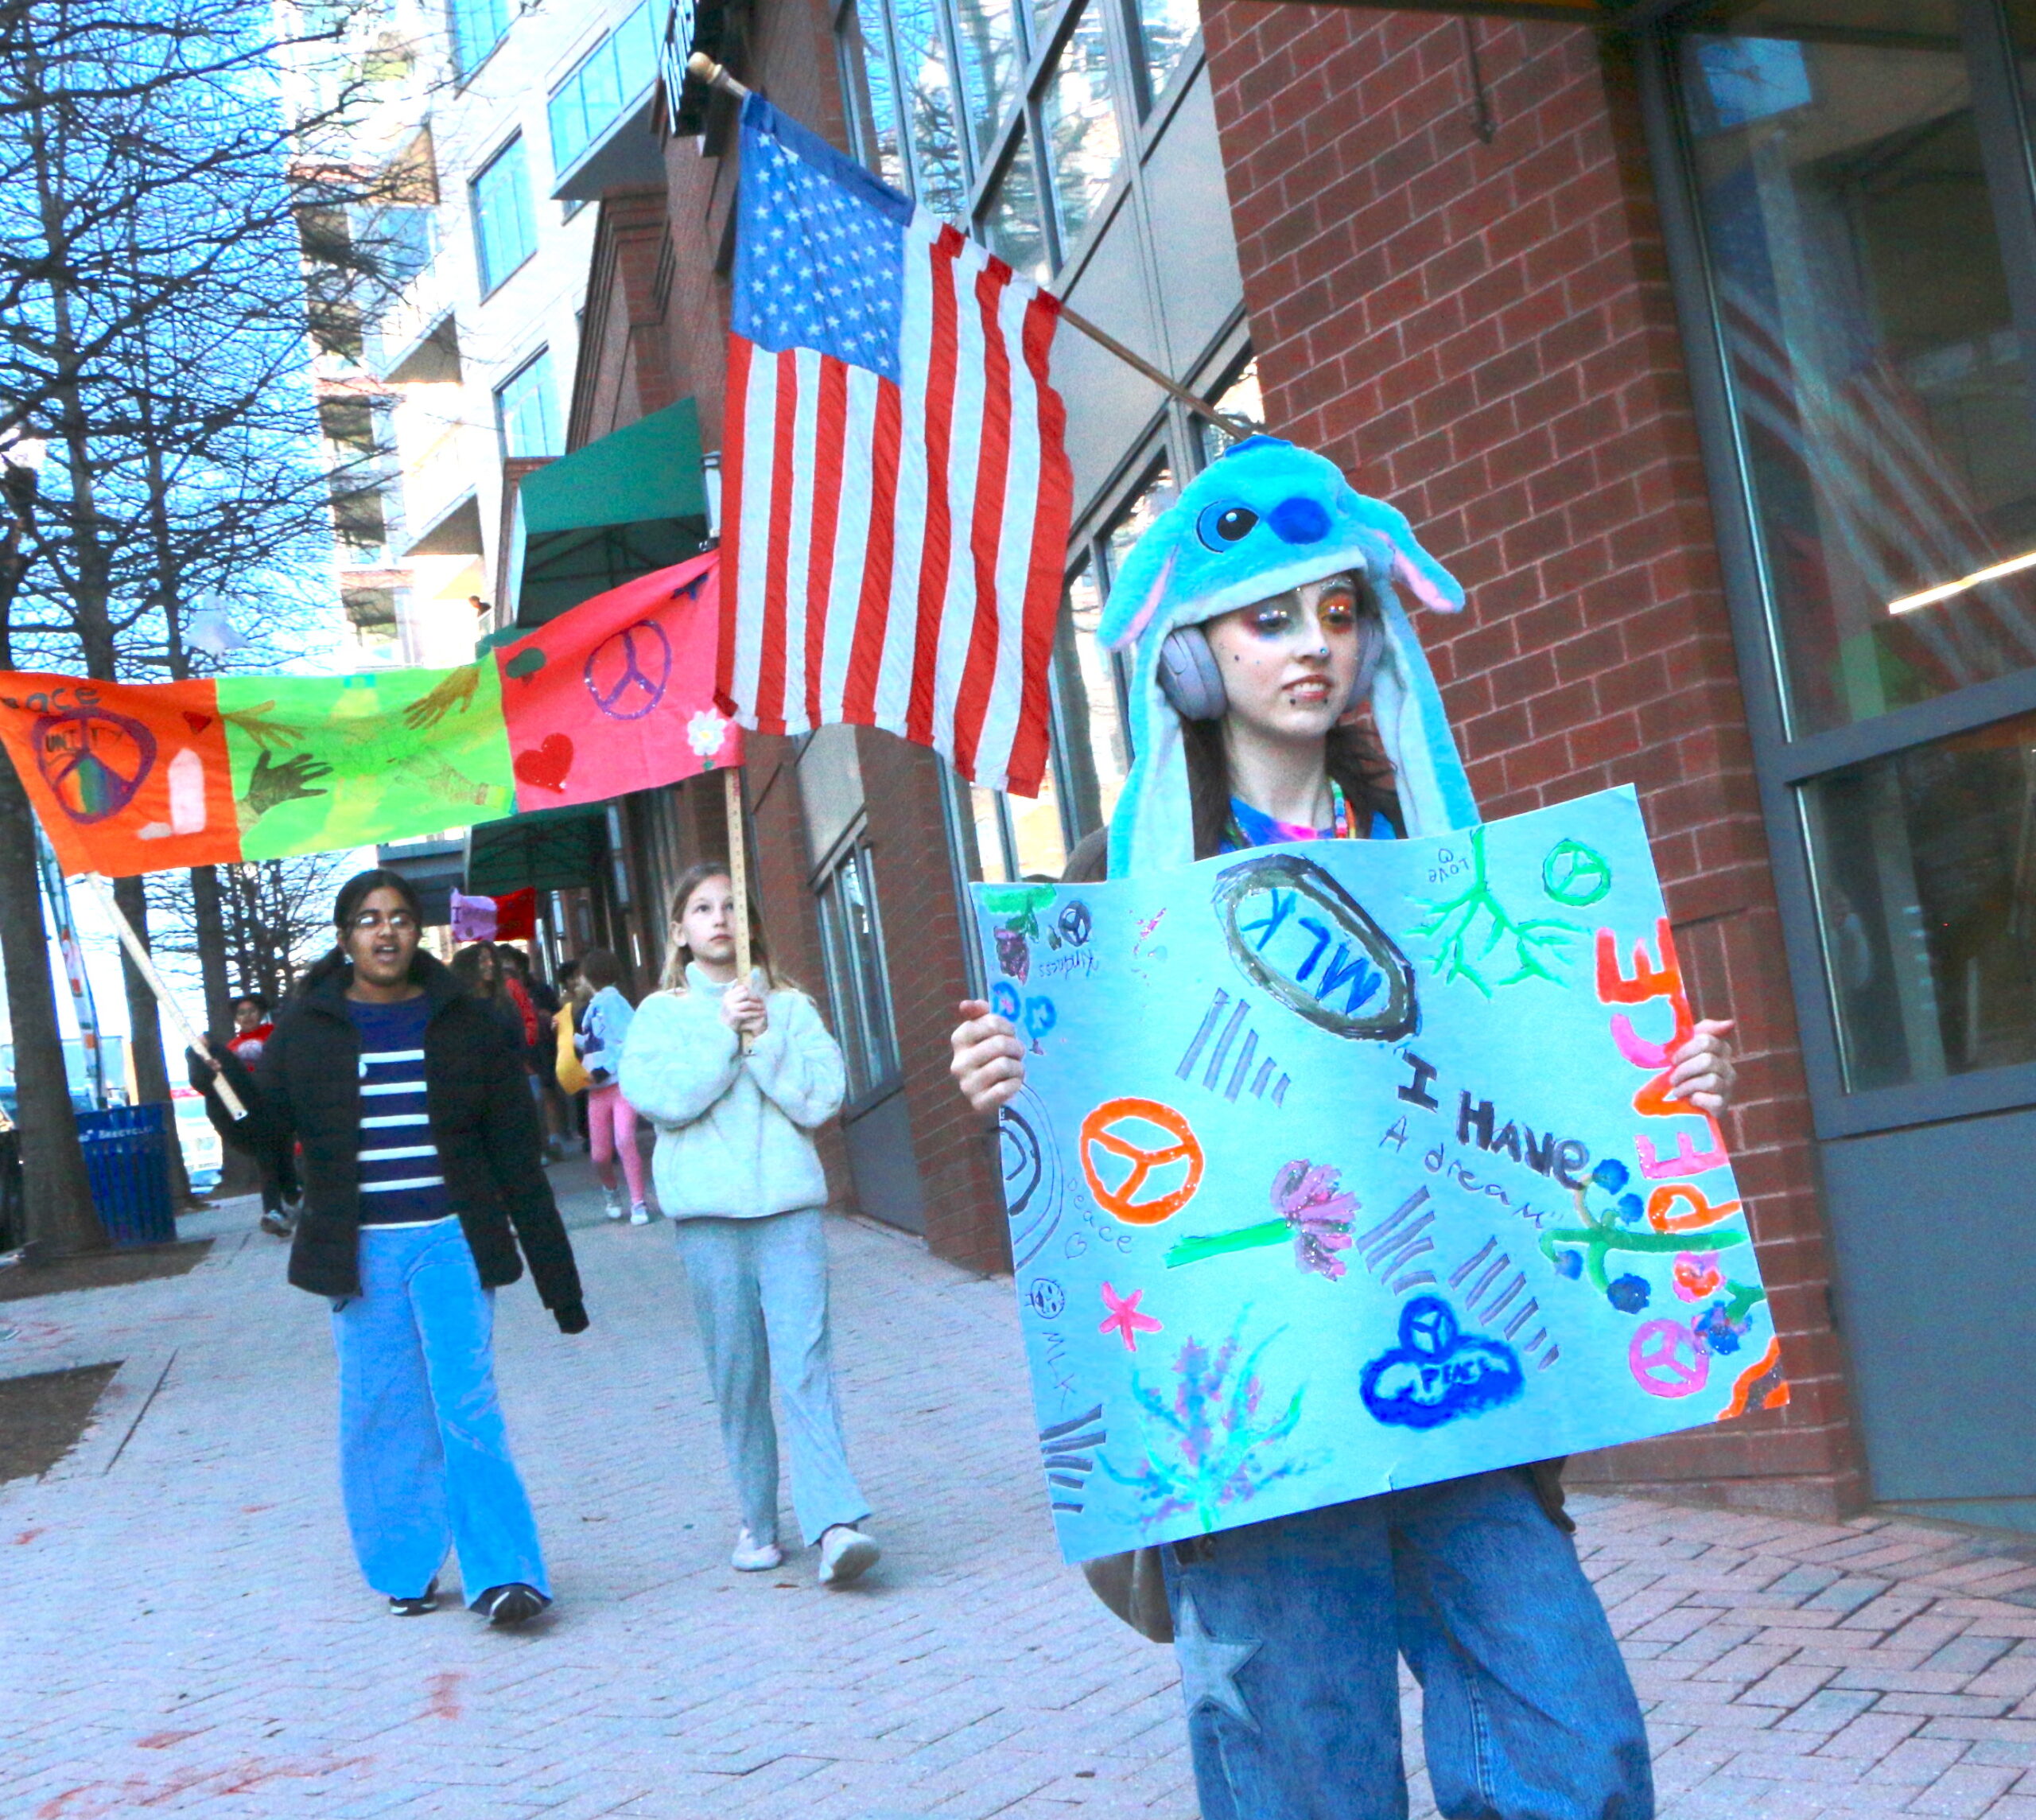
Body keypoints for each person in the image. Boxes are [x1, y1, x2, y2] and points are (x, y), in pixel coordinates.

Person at [949, 438, 1739, 1820]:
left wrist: (1656, 1083)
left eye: (1338, 610)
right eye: (1269, 617)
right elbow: (1089, 1182)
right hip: (1256, 1425)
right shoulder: (1110, 894)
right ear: (1193, 652)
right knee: (1307, 1782)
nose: (1311, 646)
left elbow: (1538, 1078)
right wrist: (1009, 1081)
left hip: (1461, 1393)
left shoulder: (1441, 857)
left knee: (1577, 1744)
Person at [193, 869, 588, 1628]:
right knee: (382, 1410)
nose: (386, 932)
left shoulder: (466, 1023)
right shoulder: (307, 1028)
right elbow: (267, 1135)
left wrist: (558, 1285)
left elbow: (516, 1158)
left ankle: (505, 1572)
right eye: (369, 920)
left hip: (452, 1241)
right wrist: (220, 1088)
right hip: (361, 1252)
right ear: (346, 937)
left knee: (468, 1406)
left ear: (417, 932)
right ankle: (405, 1565)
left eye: (401, 919)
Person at [618, 861, 879, 1588]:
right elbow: (664, 1102)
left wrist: (764, 1038)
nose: (720, 918)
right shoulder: (660, 1016)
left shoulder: (789, 1007)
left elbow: (820, 1098)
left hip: (788, 1211)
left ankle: (833, 1522)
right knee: (737, 1375)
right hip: (709, 1222)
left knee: (806, 1364)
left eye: (733, 905)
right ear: (680, 931)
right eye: (702, 908)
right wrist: (722, 1038)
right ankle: (759, 1521)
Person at [575, 947, 651, 1223]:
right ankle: (613, 1191)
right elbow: (597, 1042)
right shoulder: (594, 1006)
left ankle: (637, 1202)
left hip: (617, 1084)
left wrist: (606, 1067)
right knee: (600, 1153)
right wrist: (570, 1038)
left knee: (624, 1140)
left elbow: (628, 1039)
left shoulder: (612, 1003)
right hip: (598, 1088)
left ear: (588, 976)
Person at [228, 994, 298, 1238]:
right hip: (255, 1116)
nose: (247, 1016)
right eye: (241, 1013)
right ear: (236, 1019)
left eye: (251, 1011)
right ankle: (275, 1211)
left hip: (281, 1109)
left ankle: (292, 1202)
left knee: (284, 1160)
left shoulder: (276, 1036)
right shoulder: (232, 1049)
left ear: (261, 1013)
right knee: (268, 1163)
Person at [449, 942, 525, 1056]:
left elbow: (518, 1041)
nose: (490, 964)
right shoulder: (457, 1008)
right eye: (483, 960)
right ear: (468, 967)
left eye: (492, 960)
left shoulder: (505, 1003)